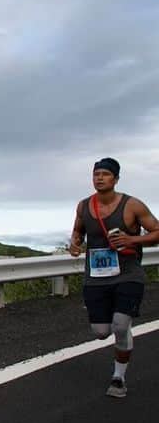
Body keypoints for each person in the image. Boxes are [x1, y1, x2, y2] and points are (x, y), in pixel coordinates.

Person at [68, 157, 159, 398]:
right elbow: (78, 231)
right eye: (96, 174)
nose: (99, 178)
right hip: (96, 277)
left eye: (105, 174)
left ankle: (118, 378)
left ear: (116, 179)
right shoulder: (84, 205)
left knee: (119, 325)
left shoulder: (132, 206)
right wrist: (75, 244)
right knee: (101, 331)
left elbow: (157, 231)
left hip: (128, 274)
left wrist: (132, 240)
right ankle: (123, 332)